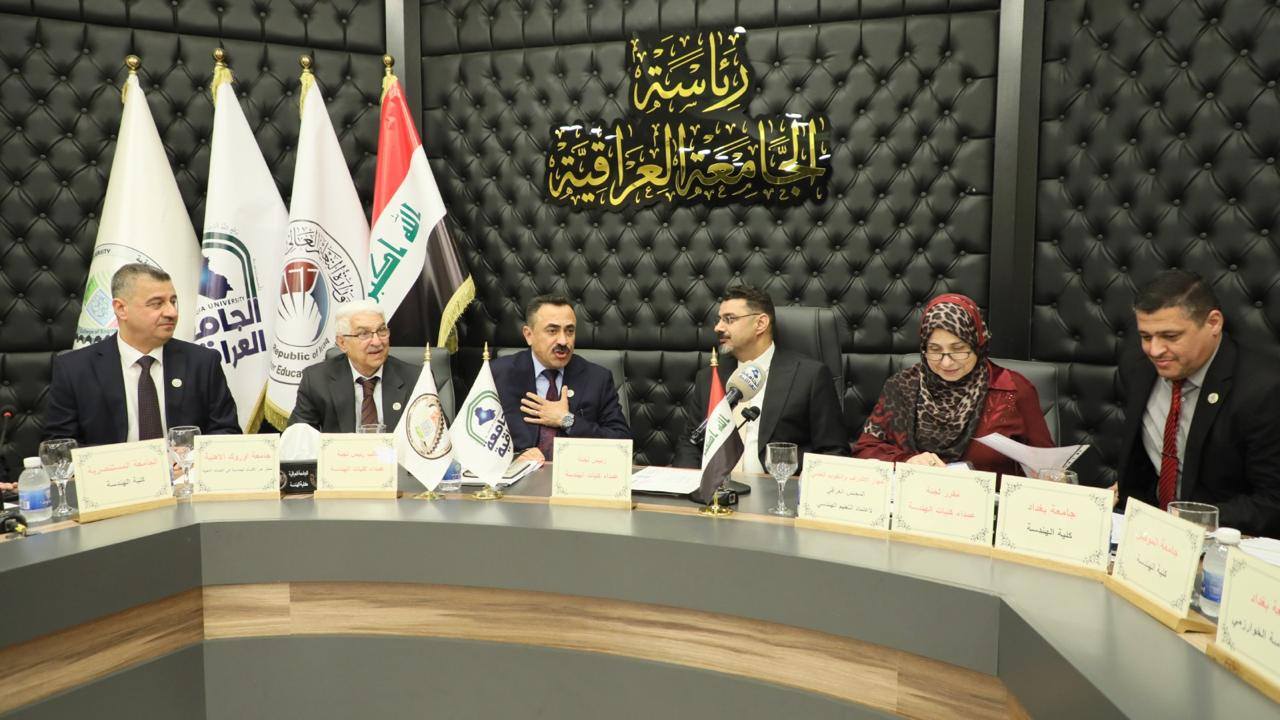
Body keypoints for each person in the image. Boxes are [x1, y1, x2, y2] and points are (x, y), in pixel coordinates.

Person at [1116, 270, 1280, 536]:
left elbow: (1272, 502)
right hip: (1148, 535)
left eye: (1171, 336)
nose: (1155, 350)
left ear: (1213, 323)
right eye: (1146, 336)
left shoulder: (1264, 390)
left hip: (1229, 539)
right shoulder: (1137, 366)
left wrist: (1187, 520)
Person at [853, 293, 1052, 475]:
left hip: (987, 501)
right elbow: (864, 450)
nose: (946, 362)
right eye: (935, 350)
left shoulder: (1012, 389)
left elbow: (1048, 468)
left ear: (978, 344)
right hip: (913, 498)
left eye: (958, 349)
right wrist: (907, 461)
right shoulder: (901, 386)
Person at [44, 263, 240, 445]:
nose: (171, 312)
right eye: (157, 304)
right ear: (121, 309)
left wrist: (192, 456)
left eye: (173, 302)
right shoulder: (74, 369)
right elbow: (59, 445)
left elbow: (226, 432)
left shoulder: (203, 362)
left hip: (184, 470)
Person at [674, 286, 849, 471]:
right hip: (716, 486)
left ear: (760, 324)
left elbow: (833, 452)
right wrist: (689, 482)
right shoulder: (709, 377)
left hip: (779, 486)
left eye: (729, 319)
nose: (718, 328)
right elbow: (690, 442)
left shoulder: (809, 376)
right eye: (719, 320)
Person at [491, 295, 630, 462]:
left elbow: (621, 443)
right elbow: (475, 440)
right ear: (529, 335)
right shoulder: (498, 374)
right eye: (552, 331)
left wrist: (566, 420)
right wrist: (516, 457)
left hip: (576, 473)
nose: (563, 341)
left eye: (569, 331)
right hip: (517, 475)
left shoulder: (597, 378)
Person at [289, 301, 421, 433]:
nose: (377, 342)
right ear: (342, 343)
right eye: (364, 334)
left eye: (382, 331)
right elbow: (298, 437)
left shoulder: (416, 379)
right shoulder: (317, 380)